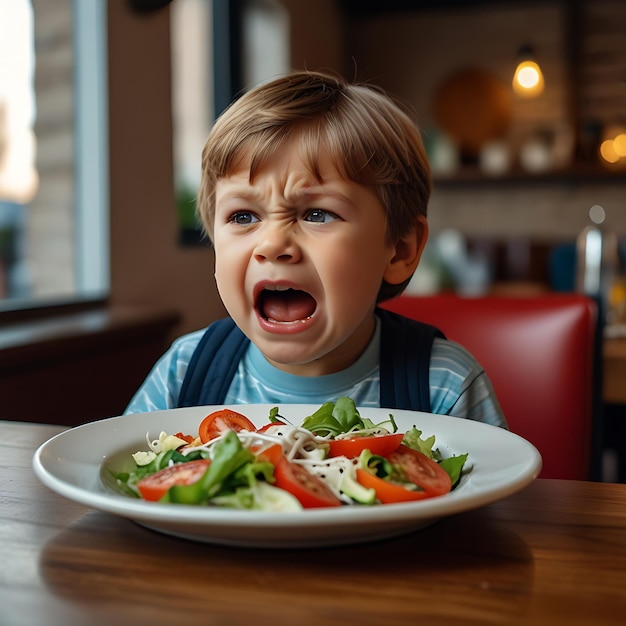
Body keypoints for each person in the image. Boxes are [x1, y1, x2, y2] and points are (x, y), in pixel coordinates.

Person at [125, 70, 506, 428]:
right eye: (243, 217)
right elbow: (124, 478)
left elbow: (489, 494)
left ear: (400, 249)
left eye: (318, 214)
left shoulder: (444, 385)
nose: (273, 244)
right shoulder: (185, 372)